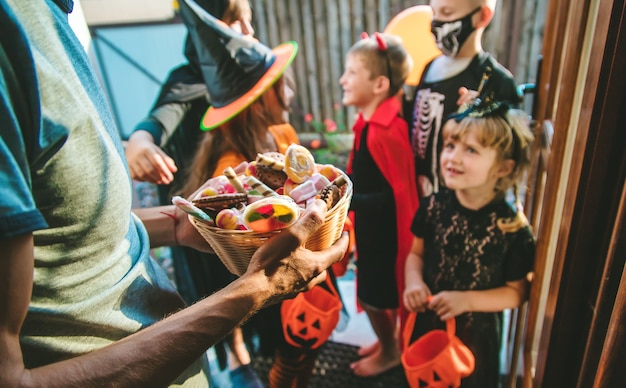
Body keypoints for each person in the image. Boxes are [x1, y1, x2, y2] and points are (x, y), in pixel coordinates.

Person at [0, 1, 348, 387]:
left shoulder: (51, 19)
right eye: (235, 19)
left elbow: (60, 226)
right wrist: (251, 294)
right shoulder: (11, 35)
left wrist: (171, 226)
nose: (246, 31)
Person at [125, 1, 263, 384]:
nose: (247, 32)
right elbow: (159, 117)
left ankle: (259, 342)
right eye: (234, 20)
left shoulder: (252, 71)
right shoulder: (188, 78)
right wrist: (140, 142)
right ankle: (237, 356)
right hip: (202, 210)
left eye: (249, 21)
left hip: (249, 202)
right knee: (218, 281)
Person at [402, 95, 536, 387]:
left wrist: (466, 300)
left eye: (471, 150)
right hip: (430, 322)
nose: (453, 157)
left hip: (475, 335)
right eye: (450, 146)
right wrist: (413, 282)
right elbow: (416, 255)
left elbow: (517, 292)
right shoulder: (433, 206)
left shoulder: (511, 229)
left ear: (503, 168)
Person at [340, 32, 419, 377]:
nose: (343, 79)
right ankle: (390, 341)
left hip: (387, 241)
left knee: (375, 297)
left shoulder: (386, 130)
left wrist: (346, 199)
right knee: (373, 294)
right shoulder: (370, 125)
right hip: (373, 234)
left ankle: (391, 349)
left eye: (352, 73)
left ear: (380, 84)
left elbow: (396, 197)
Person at [405, 0, 520, 198]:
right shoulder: (429, 67)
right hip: (419, 199)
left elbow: (511, 151)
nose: (437, 23)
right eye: (435, 13)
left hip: (464, 204)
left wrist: (485, 112)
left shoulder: (495, 80)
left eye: (447, 14)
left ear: (482, 17)